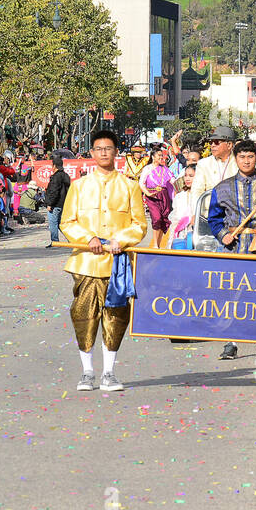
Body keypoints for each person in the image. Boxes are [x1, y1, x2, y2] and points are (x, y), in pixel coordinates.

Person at [59, 130, 149, 393]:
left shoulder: (130, 186)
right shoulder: (79, 186)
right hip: (86, 261)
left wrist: (122, 239)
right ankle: (87, 372)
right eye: (98, 148)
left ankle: (109, 372)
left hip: (118, 262)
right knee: (83, 314)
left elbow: (139, 224)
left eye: (108, 148)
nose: (103, 153)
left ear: (116, 151)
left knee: (116, 316)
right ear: (92, 152)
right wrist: (87, 238)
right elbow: (67, 222)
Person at [207, 138, 256, 360]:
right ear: (236, 159)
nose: (246, 160)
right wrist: (223, 236)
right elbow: (214, 219)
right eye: (242, 157)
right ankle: (230, 343)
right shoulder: (222, 188)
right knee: (232, 293)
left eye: (250, 156)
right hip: (234, 246)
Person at [189, 126, 237, 210]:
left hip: (234, 214)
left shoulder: (239, 162)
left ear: (229, 145)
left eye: (217, 142)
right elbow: (196, 192)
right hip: (209, 214)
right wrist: (195, 213)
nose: (212, 145)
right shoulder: (203, 164)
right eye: (211, 142)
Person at [138, 146, 176, 248]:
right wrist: (148, 193)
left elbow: (173, 181)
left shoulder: (165, 169)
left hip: (163, 196)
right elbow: (141, 183)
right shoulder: (148, 168)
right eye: (159, 155)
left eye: (162, 155)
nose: (161, 157)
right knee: (156, 218)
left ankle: (158, 244)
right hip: (152, 196)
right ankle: (155, 244)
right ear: (153, 156)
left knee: (163, 219)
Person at [41, 156, 71, 246]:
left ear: (54, 166)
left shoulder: (56, 177)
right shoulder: (66, 176)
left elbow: (54, 191)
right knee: (60, 224)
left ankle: (55, 241)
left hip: (55, 204)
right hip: (63, 203)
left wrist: (50, 203)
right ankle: (71, 239)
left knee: (53, 223)